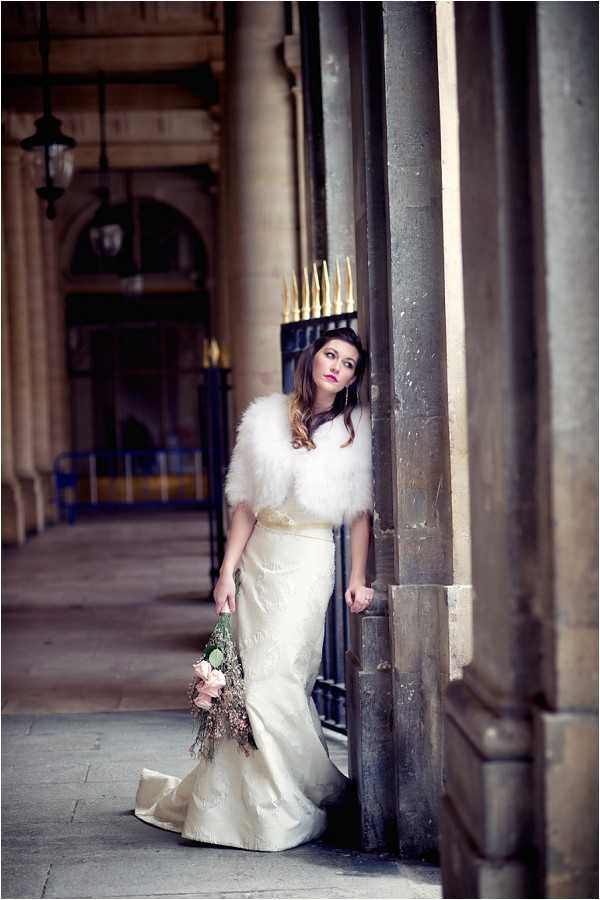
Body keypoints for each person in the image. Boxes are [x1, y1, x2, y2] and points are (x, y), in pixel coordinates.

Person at [133, 326, 374, 851]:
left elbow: (359, 514)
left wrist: (357, 578)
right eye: (330, 355)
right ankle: (244, 801)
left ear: (356, 376)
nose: (336, 366)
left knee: (278, 681)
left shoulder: (356, 428)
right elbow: (244, 504)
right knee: (246, 682)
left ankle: (304, 791)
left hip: (310, 559)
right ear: (312, 358)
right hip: (262, 558)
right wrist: (226, 572)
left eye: (349, 363)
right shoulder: (266, 417)